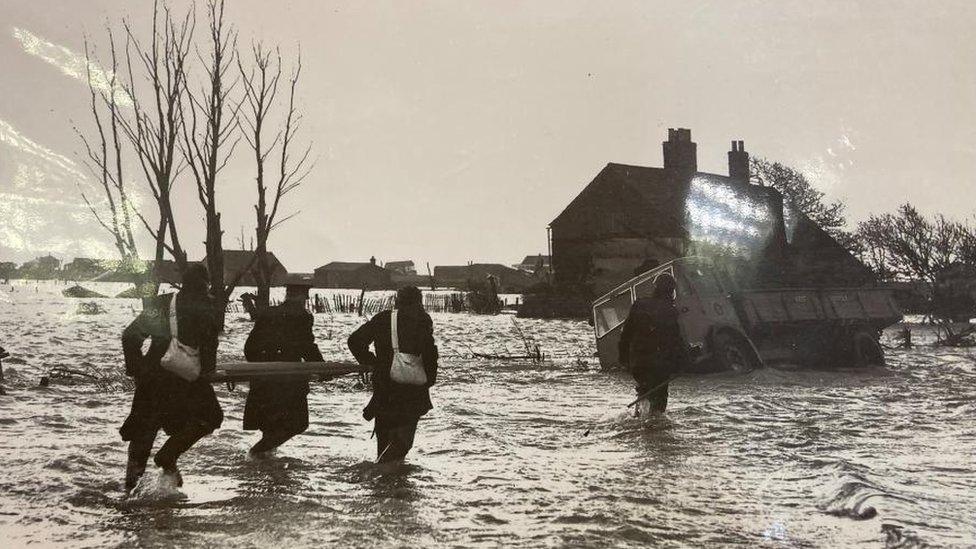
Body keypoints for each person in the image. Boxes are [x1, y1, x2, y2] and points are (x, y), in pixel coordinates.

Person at [119, 264, 223, 490]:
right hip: (185, 380)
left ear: (182, 283)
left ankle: (129, 490)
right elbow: (208, 353)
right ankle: (168, 455)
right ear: (205, 285)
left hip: (151, 379)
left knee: (144, 431)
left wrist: (138, 371)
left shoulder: (162, 303)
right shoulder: (206, 307)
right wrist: (206, 372)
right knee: (211, 416)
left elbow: (129, 336)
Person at [348, 286, 438, 463]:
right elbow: (429, 355)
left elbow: (355, 341)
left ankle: (381, 483)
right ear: (419, 302)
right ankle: (386, 476)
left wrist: (373, 363)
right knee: (402, 443)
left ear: (397, 301)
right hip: (412, 392)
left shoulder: (383, 319)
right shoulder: (422, 321)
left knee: (385, 438)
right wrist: (429, 380)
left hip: (384, 390)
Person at [243, 274, 323, 456]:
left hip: (263, 379)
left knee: (270, 425)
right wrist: (322, 368)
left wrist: (260, 369)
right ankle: (256, 454)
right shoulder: (302, 316)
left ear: (287, 294)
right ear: (303, 297)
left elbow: (249, 348)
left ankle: (265, 468)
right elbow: (306, 346)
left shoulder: (269, 313)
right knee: (298, 423)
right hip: (288, 382)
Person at [618, 273, 688, 413]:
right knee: (659, 399)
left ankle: (639, 416)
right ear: (671, 291)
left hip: (638, 362)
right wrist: (685, 357)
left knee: (644, 390)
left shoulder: (639, 304)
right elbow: (674, 340)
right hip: (658, 364)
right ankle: (655, 425)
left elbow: (626, 334)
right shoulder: (669, 310)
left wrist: (624, 359)